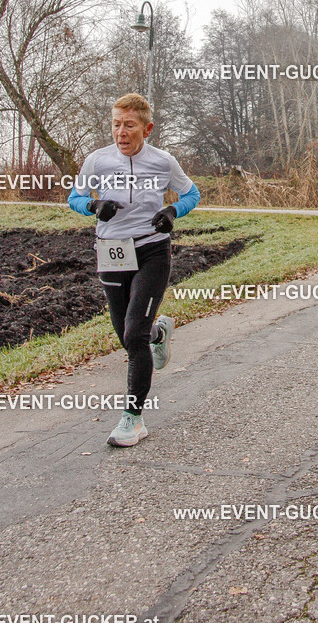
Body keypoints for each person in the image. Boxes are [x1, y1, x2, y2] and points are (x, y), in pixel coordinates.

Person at [68, 93, 200, 446]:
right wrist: (93, 206)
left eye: (129, 125)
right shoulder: (97, 161)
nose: (121, 133)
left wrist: (172, 212)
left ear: (147, 128)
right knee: (126, 335)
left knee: (133, 334)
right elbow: (74, 197)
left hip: (151, 251)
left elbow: (191, 193)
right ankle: (158, 334)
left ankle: (133, 419)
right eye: (115, 124)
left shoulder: (162, 161)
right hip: (111, 250)